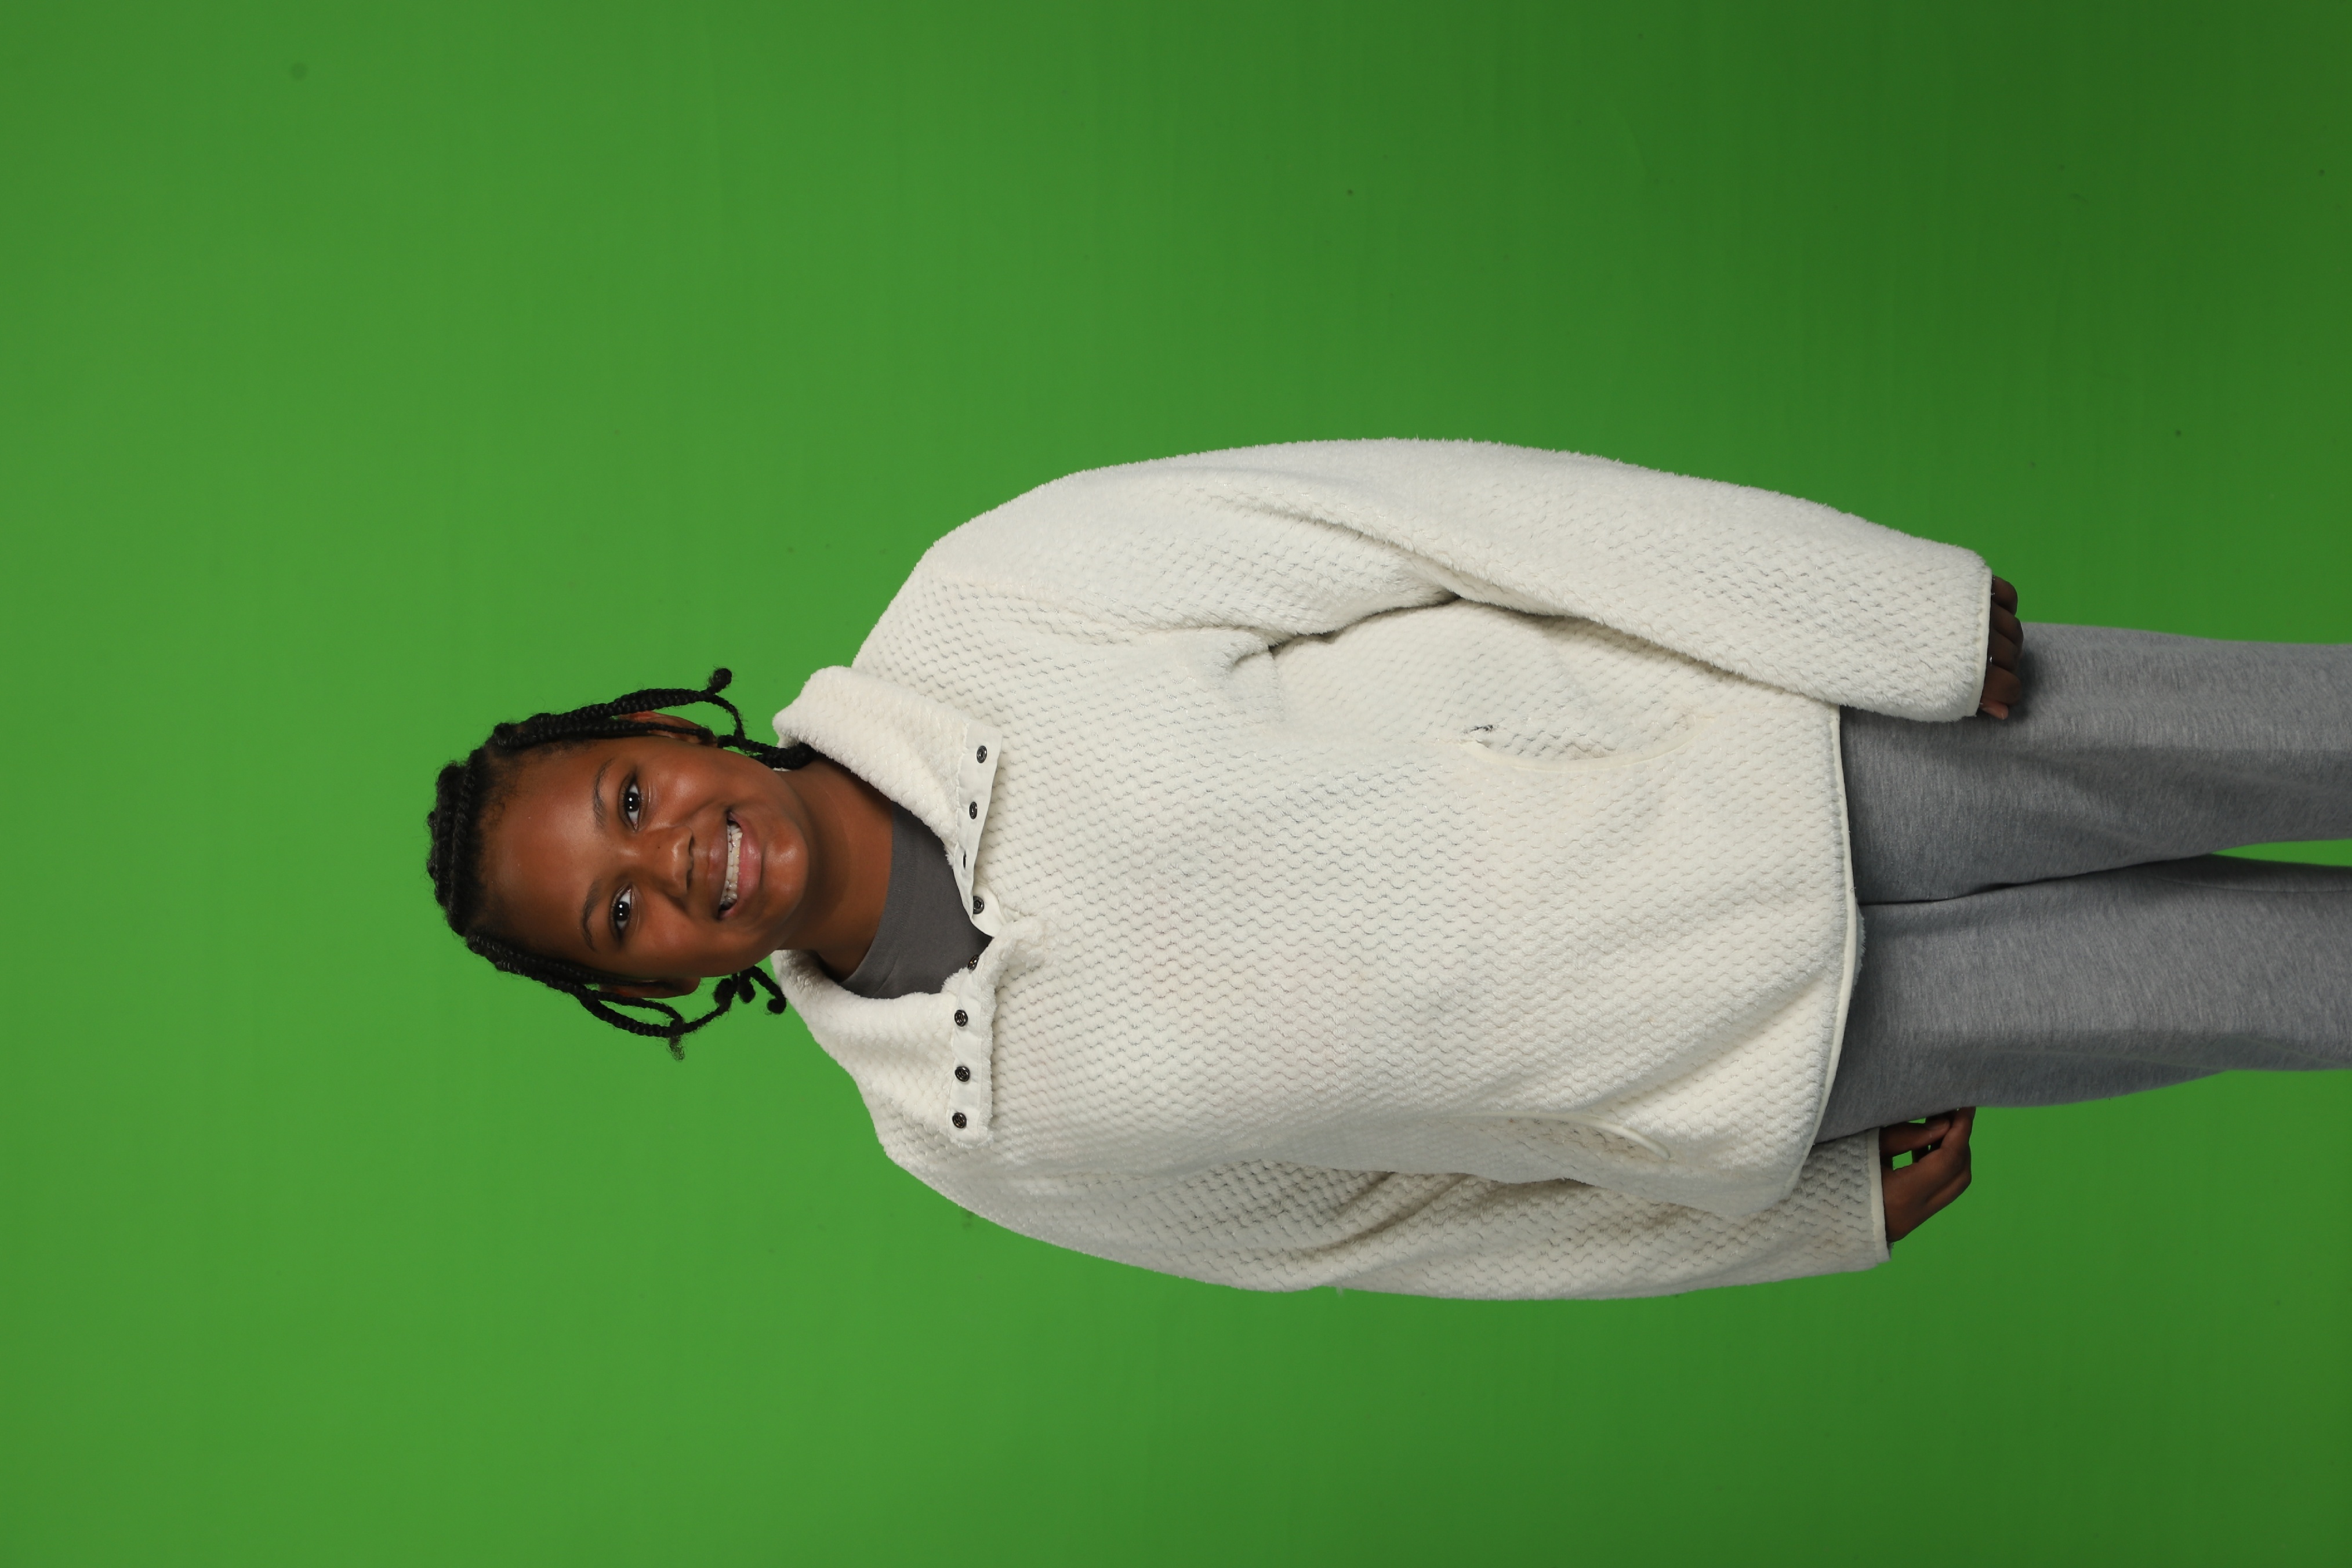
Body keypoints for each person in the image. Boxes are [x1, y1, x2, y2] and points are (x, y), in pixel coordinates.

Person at [424, 441, 2352, 1298]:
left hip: (1795, 747)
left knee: (2308, 730)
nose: (671, 860)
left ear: (660, 728)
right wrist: (1797, 1218)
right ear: (649, 987)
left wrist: (1881, 616)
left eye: (626, 797)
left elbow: (1444, 519)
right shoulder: (969, 1136)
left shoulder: (988, 606)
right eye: (619, 911)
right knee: (2288, 990)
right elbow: (1388, 1233)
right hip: (1772, 1054)